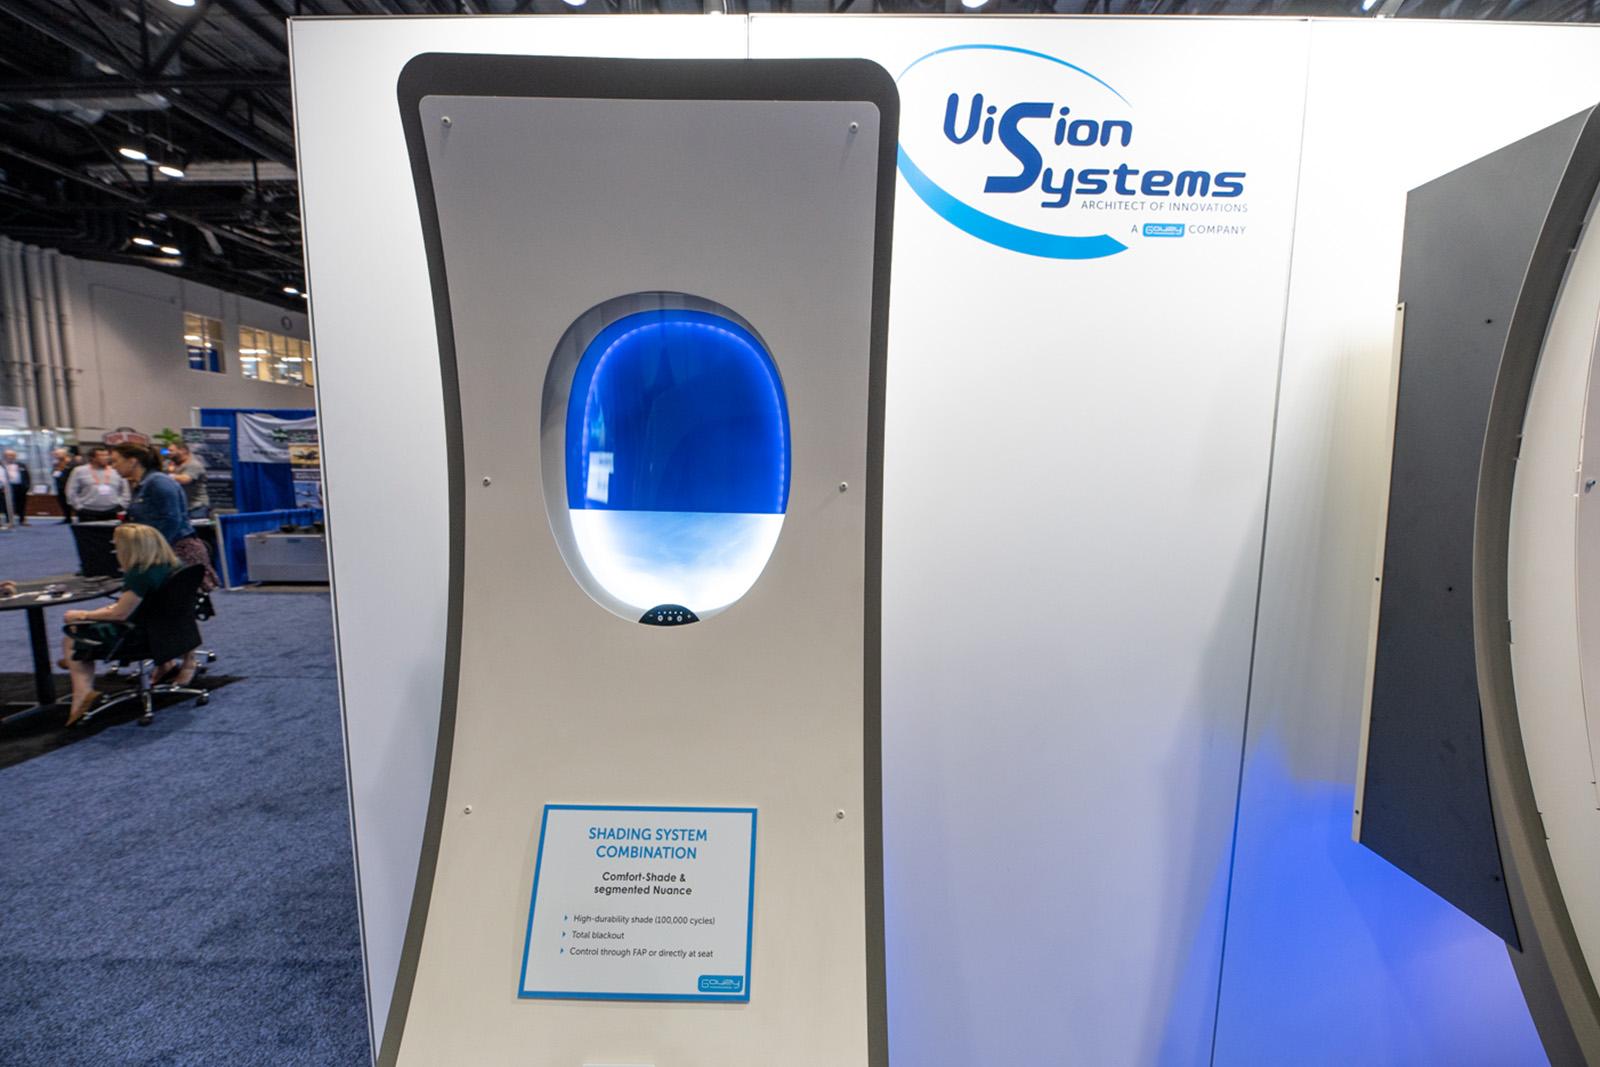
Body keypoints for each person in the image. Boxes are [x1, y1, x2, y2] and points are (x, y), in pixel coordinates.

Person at [59, 524, 197, 727]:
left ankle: (83, 695)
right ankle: (75, 665)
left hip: (139, 636)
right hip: (171, 632)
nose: (115, 550)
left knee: (72, 636)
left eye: (117, 545)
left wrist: (82, 615)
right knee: (83, 631)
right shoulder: (174, 566)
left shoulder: (140, 574)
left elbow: (120, 614)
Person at [109, 443, 218, 591]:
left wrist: (155, 550)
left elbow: (172, 519)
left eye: (116, 461)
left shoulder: (158, 482)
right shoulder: (142, 484)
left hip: (176, 551)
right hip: (160, 551)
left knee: (179, 600)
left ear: (132, 461)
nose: (113, 466)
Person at [67, 445, 129, 523]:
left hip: (112, 511)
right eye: (102, 455)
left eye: (107, 455)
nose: (106, 458)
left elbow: (126, 490)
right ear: (92, 458)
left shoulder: (116, 470)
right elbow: (71, 491)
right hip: (87, 511)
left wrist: (122, 505)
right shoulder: (79, 471)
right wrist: (78, 507)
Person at [165, 441, 210, 519]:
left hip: (196, 507)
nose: (168, 453)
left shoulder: (194, 464)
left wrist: (167, 475)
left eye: (171, 450)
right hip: (180, 507)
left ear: (183, 450)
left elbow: (185, 479)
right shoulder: (170, 463)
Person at [52, 447, 79, 524]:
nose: (56, 456)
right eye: (55, 454)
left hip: (71, 487)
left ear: (64, 454)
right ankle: (67, 518)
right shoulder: (56, 464)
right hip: (60, 486)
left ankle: (79, 517)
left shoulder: (73, 463)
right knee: (63, 503)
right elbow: (54, 473)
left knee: (73, 503)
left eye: (58, 454)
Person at [3, 448, 28, 526]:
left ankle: (22, 520)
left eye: (12, 455)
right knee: (7, 504)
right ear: (5, 456)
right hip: (7, 487)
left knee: (21, 503)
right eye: (8, 455)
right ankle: (9, 521)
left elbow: (27, 476)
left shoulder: (22, 465)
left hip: (20, 486)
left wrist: (27, 486)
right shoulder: (2, 465)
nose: (10, 457)